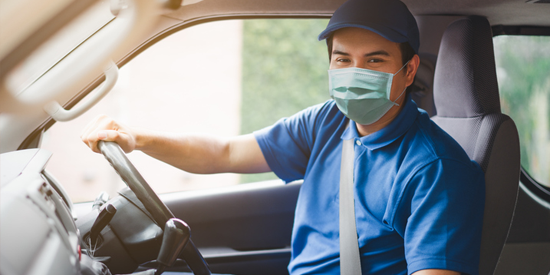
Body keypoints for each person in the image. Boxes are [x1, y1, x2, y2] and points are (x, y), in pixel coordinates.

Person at [81, 0, 485, 274]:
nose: (354, 72)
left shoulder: (437, 170)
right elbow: (223, 153)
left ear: (409, 71)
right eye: (343, 59)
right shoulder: (328, 121)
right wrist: (136, 139)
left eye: (374, 60)